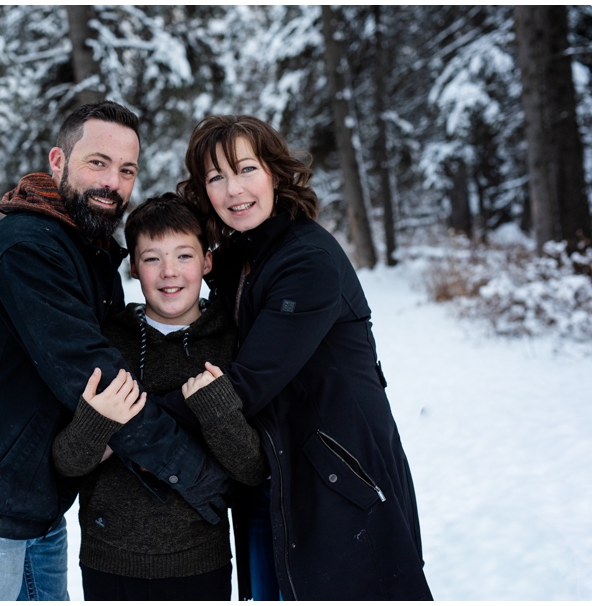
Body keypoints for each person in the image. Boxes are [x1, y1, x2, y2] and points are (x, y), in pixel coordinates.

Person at [0, 102, 232, 601]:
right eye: (97, 162)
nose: (112, 182)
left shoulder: (87, 250)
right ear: (58, 161)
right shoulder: (27, 249)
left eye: (126, 170)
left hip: (35, 500)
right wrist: (196, 473)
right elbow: (97, 377)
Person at [179, 114, 431, 599]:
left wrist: (134, 418)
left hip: (340, 484)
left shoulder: (307, 260)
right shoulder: (240, 258)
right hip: (274, 477)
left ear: (274, 173)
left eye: (246, 169)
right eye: (216, 177)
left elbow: (245, 384)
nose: (234, 190)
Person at [50, 193, 267, 600]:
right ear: (133, 267)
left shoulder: (234, 342)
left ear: (207, 261)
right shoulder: (105, 342)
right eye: (152, 259)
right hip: (108, 561)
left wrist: (215, 411)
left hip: (200, 563)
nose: (169, 272)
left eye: (184, 256)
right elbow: (67, 462)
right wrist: (101, 424)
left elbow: (253, 470)